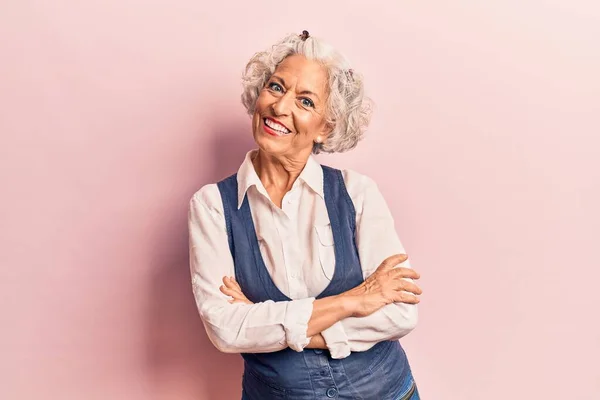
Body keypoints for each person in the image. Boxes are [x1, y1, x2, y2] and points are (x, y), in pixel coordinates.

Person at [188, 30, 423, 400]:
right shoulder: (212, 207)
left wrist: (269, 323)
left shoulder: (358, 193)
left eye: (306, 102)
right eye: (276, 87)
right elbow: (226, 330)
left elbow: (400, 314)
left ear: (326, 127)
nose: (280, 108)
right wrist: (354, 300)